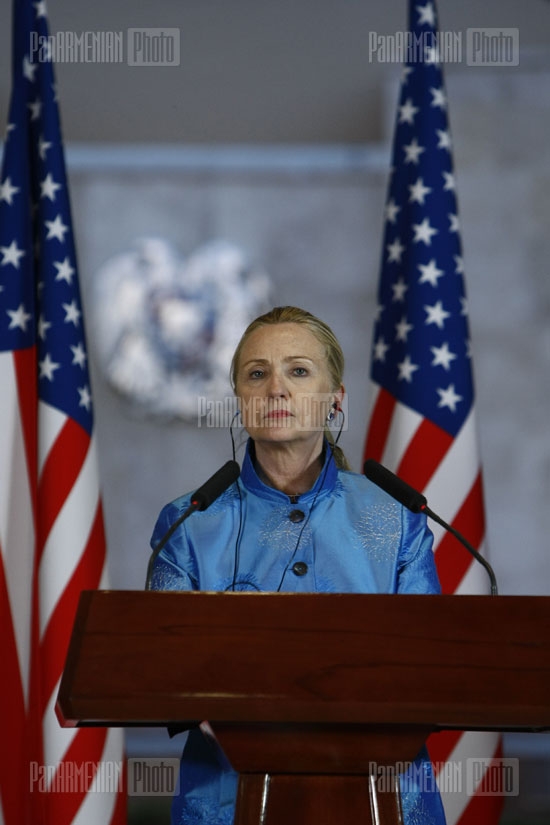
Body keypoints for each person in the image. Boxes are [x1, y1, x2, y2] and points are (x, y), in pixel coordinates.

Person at [150, 306, 447, 825]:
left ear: (336, 401)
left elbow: (428, 669)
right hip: (227, 797)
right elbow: (165, 672)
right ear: (239, 399)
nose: (276, 389)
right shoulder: (187, 522)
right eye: (257, 373)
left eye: (299, 370)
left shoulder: (398, 517)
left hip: (383, 799)